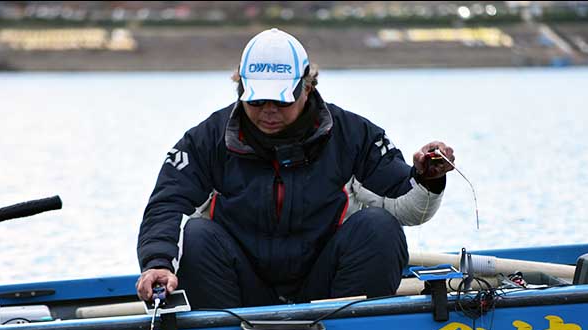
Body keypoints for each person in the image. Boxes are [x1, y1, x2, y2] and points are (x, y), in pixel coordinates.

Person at [136, 28, 455, 308]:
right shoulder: (206, 140)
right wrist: (158, 263)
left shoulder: (353, 135)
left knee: (379, 227)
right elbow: (169, 203)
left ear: (307, 87)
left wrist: (428, 177)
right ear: (240, 88)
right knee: (196, 235)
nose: (269, 112)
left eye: (282, 101)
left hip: (329, 293)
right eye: (257, 101)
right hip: (240, 295)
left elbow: (407, 208)